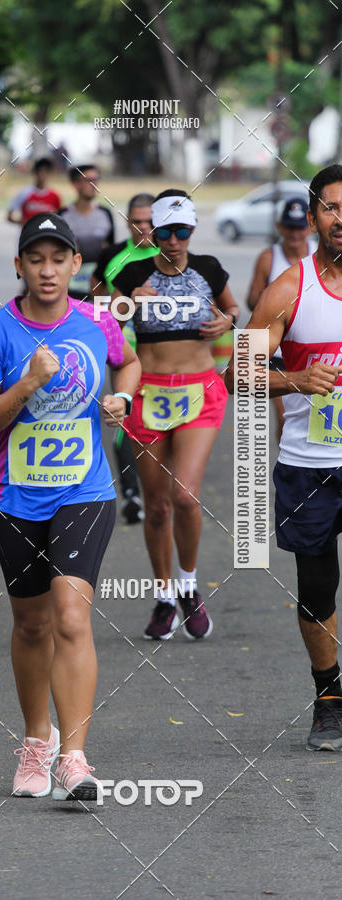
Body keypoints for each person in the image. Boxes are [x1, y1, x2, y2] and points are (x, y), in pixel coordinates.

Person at [0, 213, 141, 799]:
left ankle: (74, 758)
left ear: (74, 266)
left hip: (84, 491)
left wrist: (120, 396)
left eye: (57, 259)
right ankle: (37, 741)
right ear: (19, 267)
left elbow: (130, 363)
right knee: (32, 623)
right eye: (35, 259)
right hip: (14, 498)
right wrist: (26, 385)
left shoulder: (97, 322)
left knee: (71, 616)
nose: (47, 270)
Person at [225, 164, 342, 751]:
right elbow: (234, 372)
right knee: (319, 588)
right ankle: (330, 700)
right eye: (331, 207)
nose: (341, 218)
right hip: (309, 463)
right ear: (314, 214)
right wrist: (294, 379)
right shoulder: (289, 289)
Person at [112, 190, 239, 640]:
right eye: (164, 231)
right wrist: (130, 302)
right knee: (158, 506)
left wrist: (227, 322)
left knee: (185, 495)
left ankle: (189, 584)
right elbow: (105, 321)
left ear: (192, 230)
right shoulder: (131, 273)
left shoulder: (208, 268)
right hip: (147, 394)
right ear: (151, 231)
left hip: (199, 392)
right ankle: (164, 595)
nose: (173, 240)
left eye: (181, 231)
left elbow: (233, 308)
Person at [91, 192, 160, 524]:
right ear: (127, 221)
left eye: (150, 221)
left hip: (162, 356)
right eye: (137, 221)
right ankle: (132, 494)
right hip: (123, 350)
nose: (144, 228)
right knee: (124, 417)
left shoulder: (170, 254)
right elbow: (95, 303)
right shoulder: (112, 256)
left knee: (158, 422)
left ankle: (158, 489)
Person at [246, 197, 317, 440]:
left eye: (299, 228)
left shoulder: (323, 255)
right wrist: (278, 303)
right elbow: (251, 300)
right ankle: (288, 465)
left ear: (310, 226)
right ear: (279, 227)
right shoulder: (269, 257)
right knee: (287, 419)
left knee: (317, 418)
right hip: (278, 354)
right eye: (289, 227)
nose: (295, 234)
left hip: (314, 352)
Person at [60, 164, 114, 302]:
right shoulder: (62, 215)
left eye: (96, 180)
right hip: (71, 289)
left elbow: (111, 250)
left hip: (100, 288)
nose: (94, 185)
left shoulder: (105, 214)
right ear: (75, 184)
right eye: (89, 180)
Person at [7, 158, 62, 225]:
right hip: (28, 234)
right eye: (41, 171)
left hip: (46, 234)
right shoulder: (25, 193)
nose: (43, 174)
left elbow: (60, 219)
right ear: (35, 172)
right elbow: (9, 216)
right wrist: (25, 224)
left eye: (46, 171)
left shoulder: (55, 196)